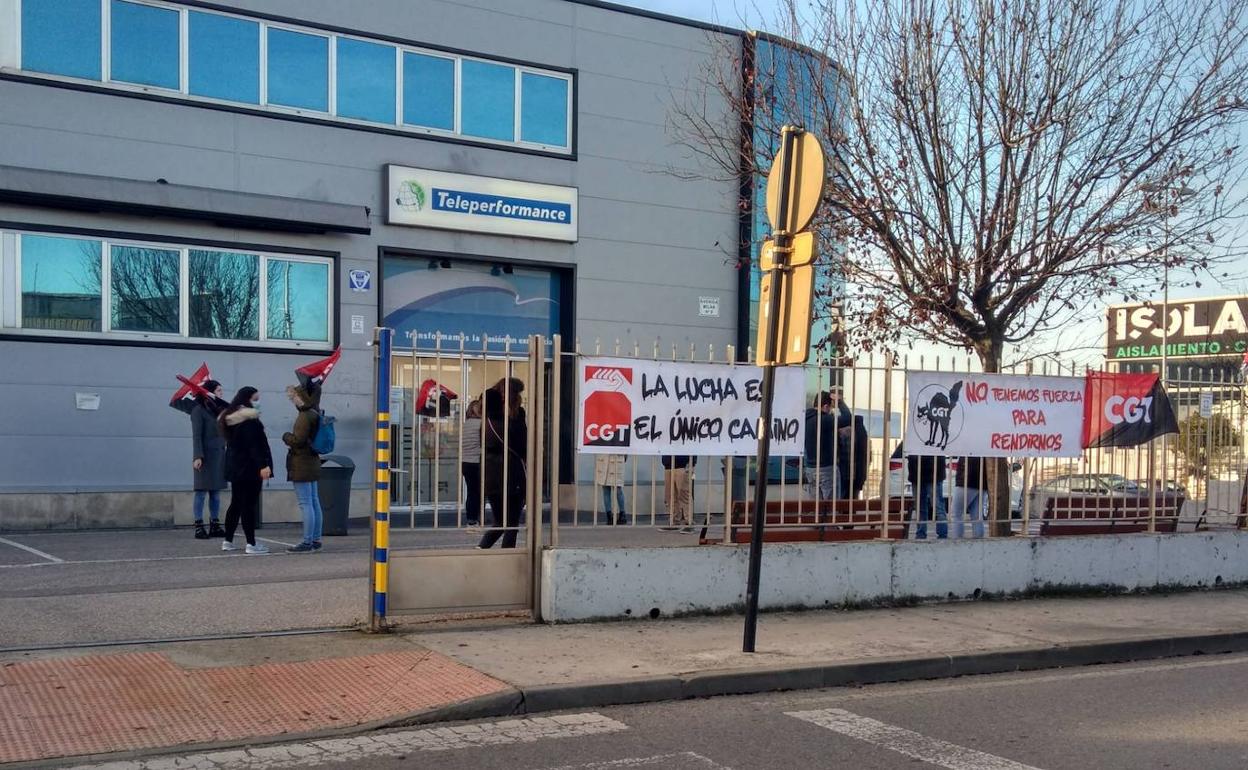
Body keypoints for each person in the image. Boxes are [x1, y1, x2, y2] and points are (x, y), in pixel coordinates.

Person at [217, 387, 273, 555]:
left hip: (236, 467)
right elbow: (254, 446)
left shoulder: (230, 420)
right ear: (247, 400)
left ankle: (228, 540)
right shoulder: (249, 421)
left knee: (236, 503)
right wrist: (263, 465)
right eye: (255, 399)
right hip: (250, 467)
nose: (258, 402)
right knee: (248, 505)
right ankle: (251, 543)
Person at [478, 377, 527, 549]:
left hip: (491, 476)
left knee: (500, 521)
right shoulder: (515, 417)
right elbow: (522, 445)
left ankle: (480, 551)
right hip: (512, 474)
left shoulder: (487, 419)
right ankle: (507, 557)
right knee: (511, 524)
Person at [282, 384, 323, 553]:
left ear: (300, 397)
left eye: (293, 397)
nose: (293, 401)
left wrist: (286, 436)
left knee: (305, 503)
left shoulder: (304, 416)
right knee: (314, 501)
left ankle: (307, 542)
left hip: (301, 463)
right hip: (312, 461)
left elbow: (298, 440)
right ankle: (316, 539)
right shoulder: (316, 412)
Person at [190, 379, 227, 539]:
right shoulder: (198, 410)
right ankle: (199, 526)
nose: (221, 393)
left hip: (219, 455)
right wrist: (197, 456)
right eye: (218, 390)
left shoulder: (219, 410)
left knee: (216, 492)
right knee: (201, 492)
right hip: (205, 456)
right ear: (210, 392)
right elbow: (197, 435)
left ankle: (215, 525)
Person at [804, 390, 851, 501]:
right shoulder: (824, 419)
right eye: (830, 408)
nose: (830, 411)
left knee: (815, 505)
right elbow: (848, 418)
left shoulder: (806, 419)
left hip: (810, 469)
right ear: (825, 406)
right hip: (826, 468)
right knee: (831, 505)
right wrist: (840, 402)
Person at [902, 442, 948, 540]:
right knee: (934, 506)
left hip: (922, 470)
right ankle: (940, 534)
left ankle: (923, 533)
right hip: (928, 470)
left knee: (929, 506)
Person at [950, 455, 989, 539]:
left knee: (956, 513)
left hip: (966, 479)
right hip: (982, 480)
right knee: (977, 515)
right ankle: (979, 540)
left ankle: (957, 540)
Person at [461, 398, 484, 527]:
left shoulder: (465, 425)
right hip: (477, 461)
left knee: (471, 491)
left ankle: (471, 518)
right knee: (480, 492)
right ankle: (478, 518)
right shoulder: (481, 424)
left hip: (465, 462)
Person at [659, 455, 696, 532]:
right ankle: (674, 521)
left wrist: (691, 463)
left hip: (683, 465)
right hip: (669, 465)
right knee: (670, 496)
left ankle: (689, 523)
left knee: (684, 494)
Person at [595, 454, 629, 525]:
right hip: (610, 459)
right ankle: (615, 515)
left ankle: (615, 515)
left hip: (610, 459)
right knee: (611, 489)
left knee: (614, 489)